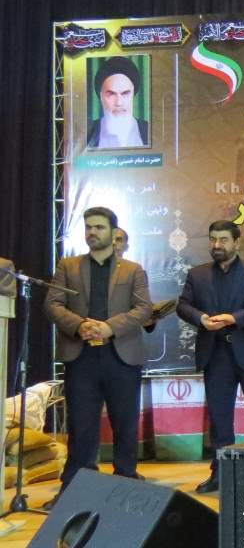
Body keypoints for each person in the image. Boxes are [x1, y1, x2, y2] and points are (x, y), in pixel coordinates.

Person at [43, 206, 152, 509]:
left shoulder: (133, 270)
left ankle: (126, 487)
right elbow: (52, 304)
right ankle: (75, 491)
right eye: (88, 227)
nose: (92, 232)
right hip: (82, 357)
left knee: (125, 424)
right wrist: (80, 325)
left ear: (114, 232)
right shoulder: (68, 266)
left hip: (121, 357)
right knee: (81, 425)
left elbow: (144, 309)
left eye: (99, 227)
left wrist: (109, 327)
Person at [177, 220, 244, 493]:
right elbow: (183, 306)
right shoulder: (197, 274)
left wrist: (236, 318)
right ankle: (221, 473)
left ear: (237, 242)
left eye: (223, 239)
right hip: (215, 355)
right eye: (213, 239)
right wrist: (201, 319)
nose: (217, 245)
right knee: (220, 419)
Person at [112, 228, 173, 331]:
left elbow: (145, 315)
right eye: (109, 240)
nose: (113, 243)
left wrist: (151, 317)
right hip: (93, 333)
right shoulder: (85, 270)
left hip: (126, 336)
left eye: (118, 239)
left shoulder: (136, 272)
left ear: (126, 247)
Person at [87, 57, 149, 149]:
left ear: (133, 94)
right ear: (101, 96)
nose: (119, 103)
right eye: (111, 94)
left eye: (125, 93)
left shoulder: (150, 131)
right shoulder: (87, 134)